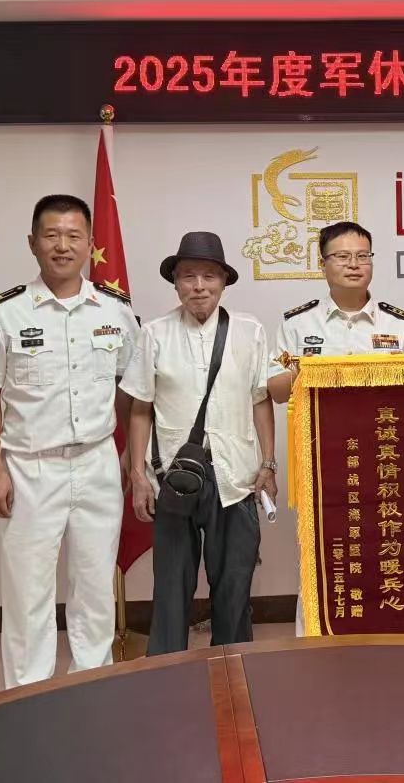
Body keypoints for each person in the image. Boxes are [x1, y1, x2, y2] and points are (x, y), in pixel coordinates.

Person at [0, 194, 139, 689]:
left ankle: (92, 686)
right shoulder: (6, 313)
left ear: (89, 244)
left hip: (96, 463)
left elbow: (132, 389)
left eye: (73, 236)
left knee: (95, 587)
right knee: (28, 592)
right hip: (29, 468)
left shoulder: (114, 310)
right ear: (33, 243)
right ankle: (29, 695)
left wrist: (127, 455)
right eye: (51, 235)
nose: (62, 246)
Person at [120, 231, 276, 655]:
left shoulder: (249, 331)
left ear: (223, 282)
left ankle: (234, 666)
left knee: (234, 585)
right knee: (171, 587)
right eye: (188, 276)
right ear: (176, 283)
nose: (199, 286)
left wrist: (268, 464)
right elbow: (140, 408)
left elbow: (260, 400)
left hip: (236, 475)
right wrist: (138, 476)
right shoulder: (155, 334)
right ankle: (166, 673)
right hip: (173, 477)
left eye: (209, 276)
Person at [266, 220, 404, 635]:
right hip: (322, 461)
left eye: (362, 256)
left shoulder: (398, 325)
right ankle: (314, 639)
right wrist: (306, 372)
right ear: (323, 264)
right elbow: (275, 390)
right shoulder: (298, 325)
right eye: (342, 256)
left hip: (386, 458)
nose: (354, 264)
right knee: (322, 551)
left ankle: (384, 633)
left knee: (386, 547)